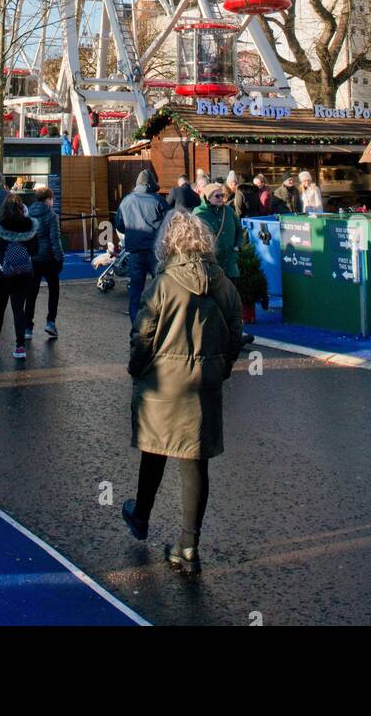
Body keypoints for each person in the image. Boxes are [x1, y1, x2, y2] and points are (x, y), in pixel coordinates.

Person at [122, 212, 242, 577]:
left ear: (169, 243)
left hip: (163, 378)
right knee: (195, 460)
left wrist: (136, 367)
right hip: (203, 381)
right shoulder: (223, 285)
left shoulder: (162, 283)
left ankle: (141, 515)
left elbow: (143, 334)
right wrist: (221, 368)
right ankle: (188, 545)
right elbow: (235, 336)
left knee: (155, 447)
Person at [0, 194, 38, 359]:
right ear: (22, 208)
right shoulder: (29, 227)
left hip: (1, 275)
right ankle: (20, 347)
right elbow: (35, 250)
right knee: (18, 310)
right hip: (23, 274)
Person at [114, 171, 168, 323]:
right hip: (155, 251)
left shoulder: (126, 200)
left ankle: (136, 329)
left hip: (135, 251)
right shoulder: (158, 200)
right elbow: (169, 223)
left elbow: (119, 224)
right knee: (160, 289)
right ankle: (160, 324)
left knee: (135, 292)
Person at [25, 187, 64, 339]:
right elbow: (55, 239)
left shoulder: (29, 214)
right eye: (51, 199)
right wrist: (59, 257)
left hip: (34, 257)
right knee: (54, 290)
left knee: (31, 292)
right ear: (47, 199)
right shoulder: (51, 215)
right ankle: (50, 322)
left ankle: (27, 326)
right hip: (49, 258)